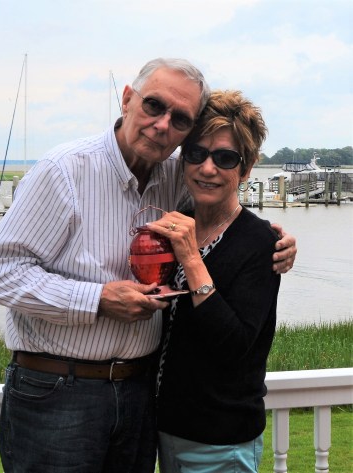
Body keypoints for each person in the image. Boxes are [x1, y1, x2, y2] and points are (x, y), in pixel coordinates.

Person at [0, 59, 296, 473]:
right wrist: (97, 299)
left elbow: (223, 211)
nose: (162, 125)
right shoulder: (65, 170)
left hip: (139, 398)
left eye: (180, 119)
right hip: (60, 390)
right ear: (127, 99)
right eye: (154, 105)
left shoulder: (175, 177)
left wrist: (272, 239)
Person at [147, 90, 282, 473]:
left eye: (225, 158)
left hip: (221, 441)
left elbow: (234, 346)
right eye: (197, 154)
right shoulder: (177, 222)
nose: (207, 168)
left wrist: (191, 259)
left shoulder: (260, 243)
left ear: (247, 168)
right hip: (163, 430)